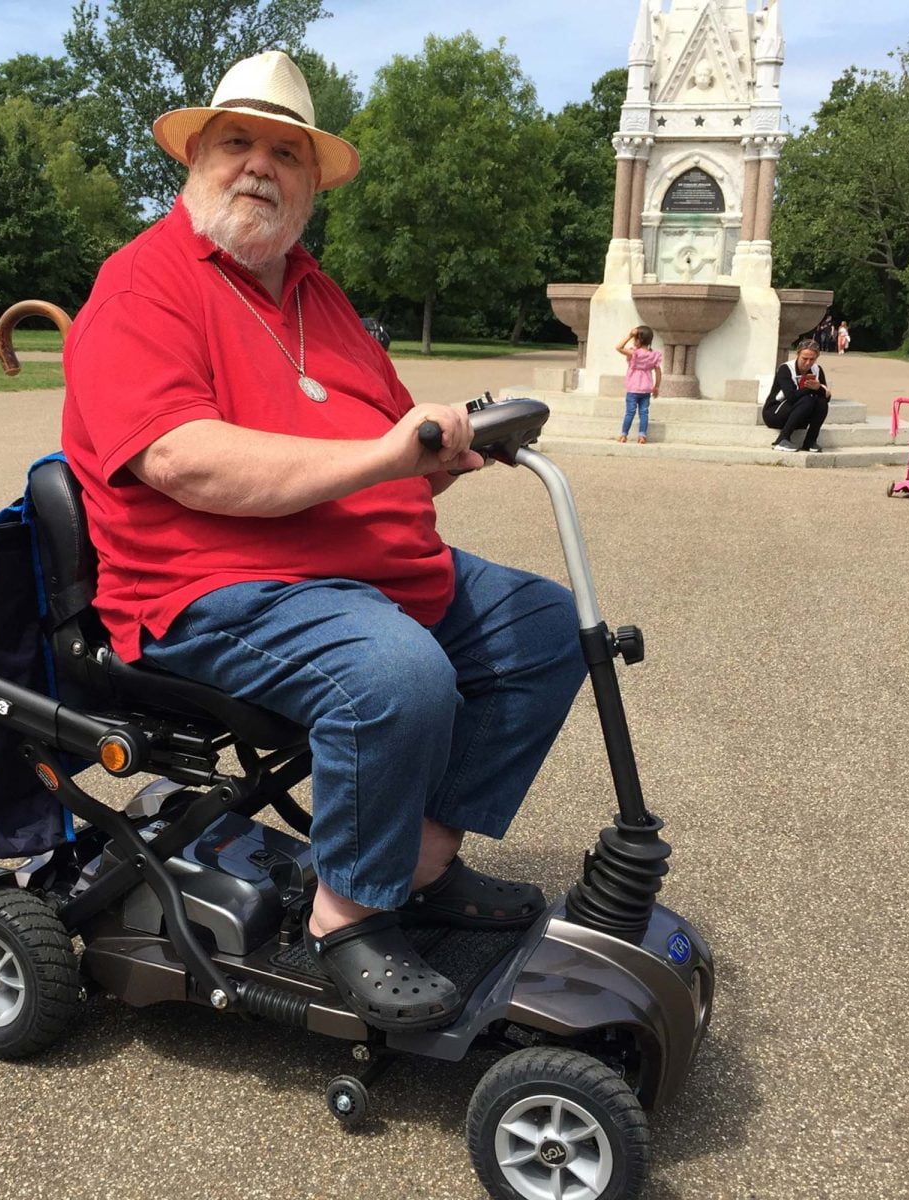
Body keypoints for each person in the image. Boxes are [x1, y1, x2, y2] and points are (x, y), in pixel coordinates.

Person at [61, 51, 587, 1032]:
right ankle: (347, 913)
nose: (260, 165)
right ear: (196, 160)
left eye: (286, 153)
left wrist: (442, 450)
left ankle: (419, 864)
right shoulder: (143, 286)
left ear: (311, 183)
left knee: (550, 627)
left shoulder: (317, 294)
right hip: (213, 588)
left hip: (358, 570)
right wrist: (386, 458)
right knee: (396, 672)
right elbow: (184, 461)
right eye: (238, 142)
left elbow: (389, 435)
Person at [763, 338, 832, 452]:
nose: (808, 363)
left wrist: (819, 389)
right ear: (798, 354)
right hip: (775, 413)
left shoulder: (817, 370)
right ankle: (781, 440)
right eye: (804, 358)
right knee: (807, 400)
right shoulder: (785, 369)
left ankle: (810, 441)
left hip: (800, 413)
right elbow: (791, 397)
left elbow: (826, 397)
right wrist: (812, 389)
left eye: (812, 359)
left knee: (821, 402)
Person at [614, 325, 662, 444]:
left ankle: (624, 435)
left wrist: (629, 336)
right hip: (646, 389)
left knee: (630, 412)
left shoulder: (634, 353)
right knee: (644, 413)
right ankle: (642, 436)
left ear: (638, 340)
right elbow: (658, 372)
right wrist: (656, 387)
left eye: (634, 338)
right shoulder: (653, 356)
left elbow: (618, 347)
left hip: (633, 388)